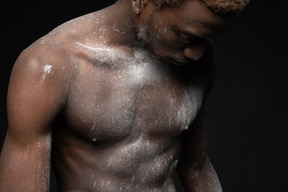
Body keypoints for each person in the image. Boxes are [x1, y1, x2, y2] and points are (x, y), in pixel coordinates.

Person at [0, 0, 249, 191]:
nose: (196, 53)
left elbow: (196, 166)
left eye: (205, 39)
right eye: (187, 37)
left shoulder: (198, 62)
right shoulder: (49, 65)